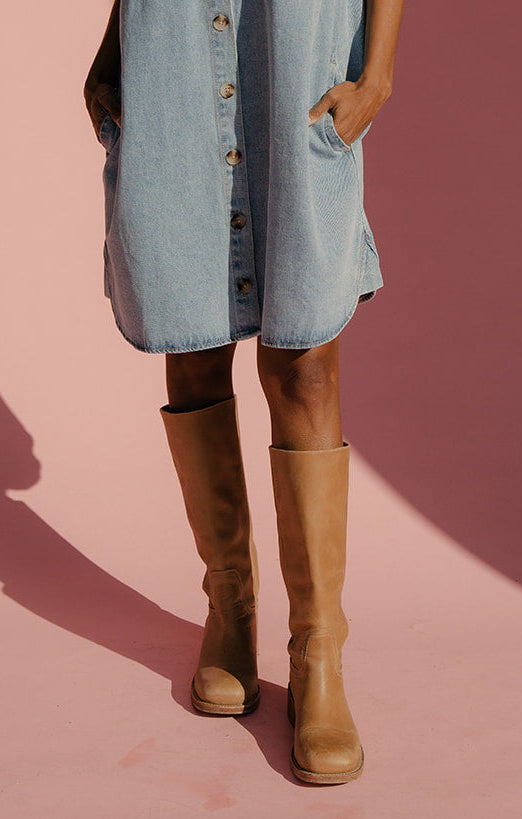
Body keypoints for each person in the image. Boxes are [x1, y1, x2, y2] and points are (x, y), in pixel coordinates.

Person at [84, 0, 404, 785]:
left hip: (295, 55)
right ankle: (230, 609)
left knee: (303, 363)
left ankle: (316, 651)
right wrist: (111, 44)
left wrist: (379, 74)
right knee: (191, 342)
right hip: (172, 59)